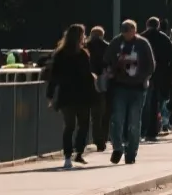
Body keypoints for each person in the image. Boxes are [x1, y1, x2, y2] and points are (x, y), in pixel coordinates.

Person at [103, 19, 157, 165]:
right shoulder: (116, 43)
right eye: (124, 30)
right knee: (117, 120)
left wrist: (145, 77)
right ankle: (118, 148)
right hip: (120, 87)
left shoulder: (142, 43)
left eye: (129, 30)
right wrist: (110, 70)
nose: (126, 33)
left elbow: (151, 65)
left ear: (134, 30)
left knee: (134, 121)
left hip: (138, 88)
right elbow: (107, 60)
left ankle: (131, 152)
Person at [48, 24, 96, 168]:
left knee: (69, 126)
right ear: (80, 37)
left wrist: (50, 95)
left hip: (66, 95)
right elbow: (87, 76)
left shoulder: (60, 54)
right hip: (82, 95)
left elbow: (53, 77)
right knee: (83, 125)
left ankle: (68, 156)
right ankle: (79, 153)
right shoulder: (83, 54)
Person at [85, 25, 111, 153]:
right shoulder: (107, 46)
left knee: (85, 114)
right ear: (102, 35)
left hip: (86, 82)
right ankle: (101, 139)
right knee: (101, 114)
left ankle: (83, 141)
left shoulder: (85, 46)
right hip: (102, 83)